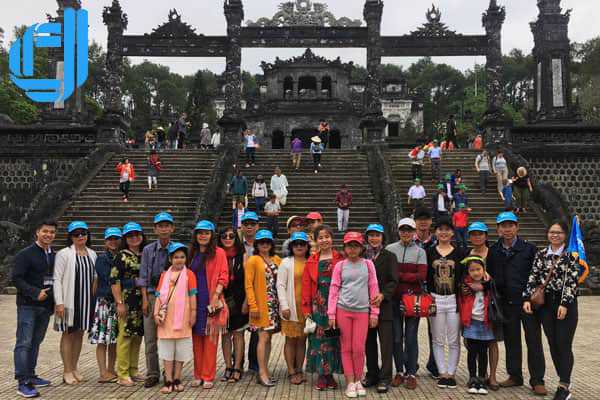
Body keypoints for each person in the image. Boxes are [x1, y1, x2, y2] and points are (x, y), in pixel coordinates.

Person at [486, 212, 546, 395]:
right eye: (503, 225)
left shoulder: (529, 249)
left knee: (533, 341)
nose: (507, 229)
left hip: (527, 304)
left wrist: (530, 298)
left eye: (510, 225)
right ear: (497, 229)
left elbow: (537, 276)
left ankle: (537, 380)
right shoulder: (494, 250)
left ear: (517, 227)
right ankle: (515, 375)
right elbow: (491, 275)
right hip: (507, 303)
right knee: (512, 341)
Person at [523, 221, 580, 400]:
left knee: (563, 344)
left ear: (565, 235)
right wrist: (527, 298)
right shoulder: (541, 254)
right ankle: (563, 381)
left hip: (565, 305)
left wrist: (565, 303)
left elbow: (572, 281)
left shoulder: (572, 255)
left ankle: (564, 385)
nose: (555, 235)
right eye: (552, 232)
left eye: (559, 232)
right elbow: (533, 277)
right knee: (553, 344)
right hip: (545, 305)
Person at [328, 231, 380, 398]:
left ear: (361, 248)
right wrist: (331, 314)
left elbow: (373, 288)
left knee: (358, 348)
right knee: (346, 347)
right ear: (344, 248)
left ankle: (358, 379)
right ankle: (350, 381)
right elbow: (334, 289)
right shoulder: (340, 266)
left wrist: (375, 313)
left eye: (355, 246)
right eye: (349, 246)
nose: (352, 249)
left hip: (362, 312)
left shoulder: (368, 264)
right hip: (343, 310)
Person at [12, 220, 57, 398]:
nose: (48, 235)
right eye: (45, 231)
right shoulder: (25, 254)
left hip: (45, 307)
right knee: (23, 343)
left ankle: (31, 375)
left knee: (36, 342)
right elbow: (17, 278)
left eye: (52, 232)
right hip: (28, 305)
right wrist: (34, 292)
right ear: (37, 232)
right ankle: (23, 381)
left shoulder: (54, 255)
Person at [53, 221, 97, 385]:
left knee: (79, 333)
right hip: (69, 301)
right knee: (68, 334)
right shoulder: (64, 254)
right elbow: (57, 279)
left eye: (83, 233)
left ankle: (75, 367)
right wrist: (59, 302)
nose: (80, 237)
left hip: (86, 302)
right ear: (70, 237)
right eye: (76, 234)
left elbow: (95, 278)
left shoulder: (92, 253)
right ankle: (66, 370)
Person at [386, 218, 427, 391]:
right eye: (403, 230)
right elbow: (389, 274)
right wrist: (406, 275)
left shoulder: (420, 251)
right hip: (394, 300)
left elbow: (421, 276)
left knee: (411, 337)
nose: (405, 233)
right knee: (396, 337)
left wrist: (399, 275)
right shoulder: (390, 249)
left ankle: (411, 372)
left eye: (409, 230)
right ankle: (400, 371)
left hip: (413, 300)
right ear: (398, 231)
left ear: (414, 232)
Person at [302, 225, 344, 390]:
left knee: (333, 339)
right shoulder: (311, 260)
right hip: (317, 306)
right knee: (318, 340)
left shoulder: (341, 258)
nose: (324, 240)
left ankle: (331, 374)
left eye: (327, 236)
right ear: (315, 240)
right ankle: (321, 374)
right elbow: (306, 286)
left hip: (336, 305)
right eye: (321, 237)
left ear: (332, 238)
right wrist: (306, 311)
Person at [189, 220, 229, 389]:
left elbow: (223, 275)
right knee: (196, 338)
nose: (202, 236)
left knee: (210, 338)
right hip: (193, 300)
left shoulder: (219, 252)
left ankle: (208, 375)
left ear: (212, 235)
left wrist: (216, 296)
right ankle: (197, 374)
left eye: (206, 233)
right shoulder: (191, 252)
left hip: (210, 298)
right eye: (200, 232)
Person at [426, 217, 465, 389]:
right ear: (435, 232)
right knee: (437, 338)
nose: (444, 232)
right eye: (440, 229)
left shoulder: (460, 253)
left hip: (453, 300)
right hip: (436, 298)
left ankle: (451, 373)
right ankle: (442, 373)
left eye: (447, 229)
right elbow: (426, 276)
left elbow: (465, 275)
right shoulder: (429, 252)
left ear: (452, 232)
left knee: (454, 339)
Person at [153, 243, 197, 394]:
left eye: (182, 257)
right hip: (166, 319)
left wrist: (193, 313)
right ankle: (168, 380)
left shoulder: (189, 274)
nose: (179, 260)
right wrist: (155, 314)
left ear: (186, 258)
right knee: (166, 350)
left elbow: (192, 296)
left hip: (183, 318)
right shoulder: (164, 276)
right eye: (176, 257)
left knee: (181, 350)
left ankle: (177, 378)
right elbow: (158, 297)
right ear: (170, 258)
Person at [139, 212, 175, 388]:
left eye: (167, 225)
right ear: (155, 229)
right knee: (150, 337)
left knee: (170, 337)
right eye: (160, 225)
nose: (164, 228)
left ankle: (170, 372)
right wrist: (145, 300)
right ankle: (152, 372)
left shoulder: (177, 249)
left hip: (172, 297)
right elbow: (143, 276)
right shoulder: (148, 250)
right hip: (153, 296)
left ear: (172, 228)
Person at [465, 222, 502, 391]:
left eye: (480, 234)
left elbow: (500, 278)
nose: (477, 237)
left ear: (486, 236)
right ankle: (476, 375)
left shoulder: (493, 253)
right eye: (473, 234)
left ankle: (491, 376)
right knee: (472, 343)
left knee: (491, 342)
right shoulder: (467, 253)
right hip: (471, 307)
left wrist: (484, 286)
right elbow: (463, 278)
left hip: (490, 306)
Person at [110, 222, 147, 387]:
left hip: (141, 300)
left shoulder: (144, 254)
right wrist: (119, 303)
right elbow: (114, 280)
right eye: (130, 236)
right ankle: (122, 373)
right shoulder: (121, 256)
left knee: (137, 336)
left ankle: (133, 369)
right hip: (127, 299)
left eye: (137, 234)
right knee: (125, 335)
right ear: (125, 238)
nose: (134, 238)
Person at [361, 224, 396, 393]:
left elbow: (393, 280)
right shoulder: (361, 256)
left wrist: (383, 295)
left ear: (383, 237)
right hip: (364, 306)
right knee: (369, 343)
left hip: (385, 306)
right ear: (366, 237)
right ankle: (372, 374)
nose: (374, 238)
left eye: (377, 235)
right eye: (371, 235)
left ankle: (385, 377)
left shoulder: (389, 256)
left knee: (386, 344)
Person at [245, 230, 282, 387]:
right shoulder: (253, 260)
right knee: (263, 338)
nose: (264, 244)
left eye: (267, 242)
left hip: (273, 305)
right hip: (260, 305)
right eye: (261, 242)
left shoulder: (276, 259)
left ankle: (265, 370)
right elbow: (248, 284)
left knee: (269, 339)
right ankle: (261, 372)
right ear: (257, 244)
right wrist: (252, 305)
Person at [89, 227, 122, 384]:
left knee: (114, 339)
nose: (113, 241)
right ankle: (103, 372)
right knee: (102, 339)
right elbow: (110, 279)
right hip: (104, 303)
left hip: (116, 302)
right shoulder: (102, 259)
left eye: (116, 238)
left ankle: (111, 369)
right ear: (105, 241)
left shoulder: (121, 257)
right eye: (110, 239)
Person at [277, 232, 310, 385]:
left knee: (302, 340)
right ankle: (291, 371)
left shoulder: (311, 261)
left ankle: (299, 369)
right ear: (291, 246)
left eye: (302, 244)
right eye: (296, 244)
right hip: (290, 306)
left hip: (306, 308)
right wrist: (283, 305)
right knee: (291, 339)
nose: (299, 246)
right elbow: (281, 285)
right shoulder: (286, 262)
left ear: (307, 246)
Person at [459, 256, 495, 395]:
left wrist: (488, 279)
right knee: (472, 352)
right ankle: (472, 378)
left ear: (484, 270)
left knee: (483, 352)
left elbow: (496, 287)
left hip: (485, 322)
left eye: (478, 269)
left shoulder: (489, 283)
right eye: (472, 270)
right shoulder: (465, 284)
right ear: (468, 271)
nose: (475, 273)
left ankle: (482, 379)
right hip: (471, 322)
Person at [412, 208, 440, 379]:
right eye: (419, 219)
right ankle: (411, 364)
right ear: (414, 221)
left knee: (434, 330)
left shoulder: (438, 241)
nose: (423, 222)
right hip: (413, 290)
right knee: (411, 329)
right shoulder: (408, 240)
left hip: (433, 290)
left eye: (426, 218)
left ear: (431, 221)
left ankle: (434, 363)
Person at [219, 227, 248, 383]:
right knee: (224, 334)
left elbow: (247, 281)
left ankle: (237, 367)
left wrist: (246, 301)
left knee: (238, 335)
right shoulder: (217, 254)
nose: (228, 238)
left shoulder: (242, 255)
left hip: (238, 299)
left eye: (231, 235)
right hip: (222, 300)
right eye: (224, 235)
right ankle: (228, 366)